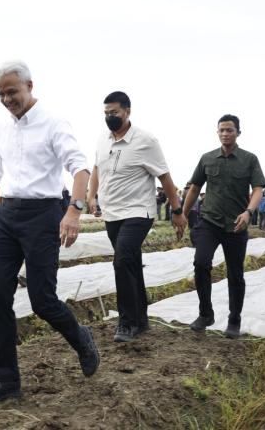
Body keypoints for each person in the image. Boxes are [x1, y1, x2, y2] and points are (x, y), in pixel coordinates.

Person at [0, 60, 99, 404]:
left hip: (43, 215)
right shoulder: (0, 129)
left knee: (42, 299)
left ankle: (81, 338)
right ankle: (6, 381)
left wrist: (74, 210)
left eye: (12, 91)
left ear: (30, 86)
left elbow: (80, 166)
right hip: (7, 215)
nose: (7, 98)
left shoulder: (53, 123)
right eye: (1, 93)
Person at [86, 91, 186, 342]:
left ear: (127, 111)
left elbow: (165, 176)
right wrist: (91, 195)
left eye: (114, 113)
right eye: (106, 113)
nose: (110, 117)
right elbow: (96, 168)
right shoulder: (102, 139)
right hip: (112, 213)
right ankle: (141, 318)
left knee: (121, 261)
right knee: (130, 263)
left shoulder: (145, 141)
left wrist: (177, 211)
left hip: (138, 212)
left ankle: (127, 322)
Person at [182, 114, 265, 338]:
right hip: (209, 221)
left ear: (238, 132)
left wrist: (249, 212)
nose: (225, 134)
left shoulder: (249, 159)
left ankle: (234, 319)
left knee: (235, 274)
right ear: (217, 132)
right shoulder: (207, 158)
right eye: (222, 130)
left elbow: (258, 188)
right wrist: (182, 214)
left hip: (236, 225)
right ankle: (205, 313)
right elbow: (194, 187)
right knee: (201, 263)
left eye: (230, 130)